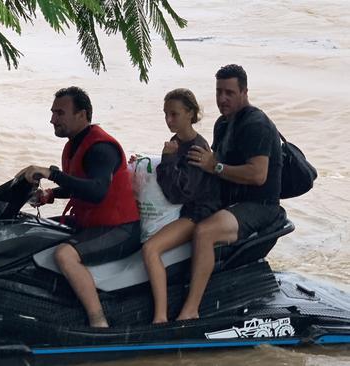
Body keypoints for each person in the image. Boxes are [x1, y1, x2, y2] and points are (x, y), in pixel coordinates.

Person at [17, 86, 141, 328]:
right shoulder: (74, 143)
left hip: (120, 228)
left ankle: (98, 321)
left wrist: (52, 174)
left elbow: (96, 191)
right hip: (89, 222)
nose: (52, 119)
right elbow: (79, 185)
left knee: (64, 255)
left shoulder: (101, 148)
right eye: (53, 112)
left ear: (82, 115)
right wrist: (49, 194)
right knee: (33, 230)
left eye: (60, 113)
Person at [179, 64, 283, 320]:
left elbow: (258, 175)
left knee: (204, 232)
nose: (222, 99)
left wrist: (215, 166)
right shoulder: (222, 124)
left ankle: (190, 310)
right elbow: (211, 161)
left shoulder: (255, 124)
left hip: (259, 205)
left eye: (229, 92)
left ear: (244, 92)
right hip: (230, 199)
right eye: (218, 92)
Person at [137, 88, 220, 324]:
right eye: (165, 114)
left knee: (151, 249)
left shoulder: (197, 148)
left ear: (190, 114)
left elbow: (179, 193)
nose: (168, 120)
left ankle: (161, 317)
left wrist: (168, 159)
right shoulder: (176, 142)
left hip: (198, 213)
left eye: (174, 114)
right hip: (182, 209)